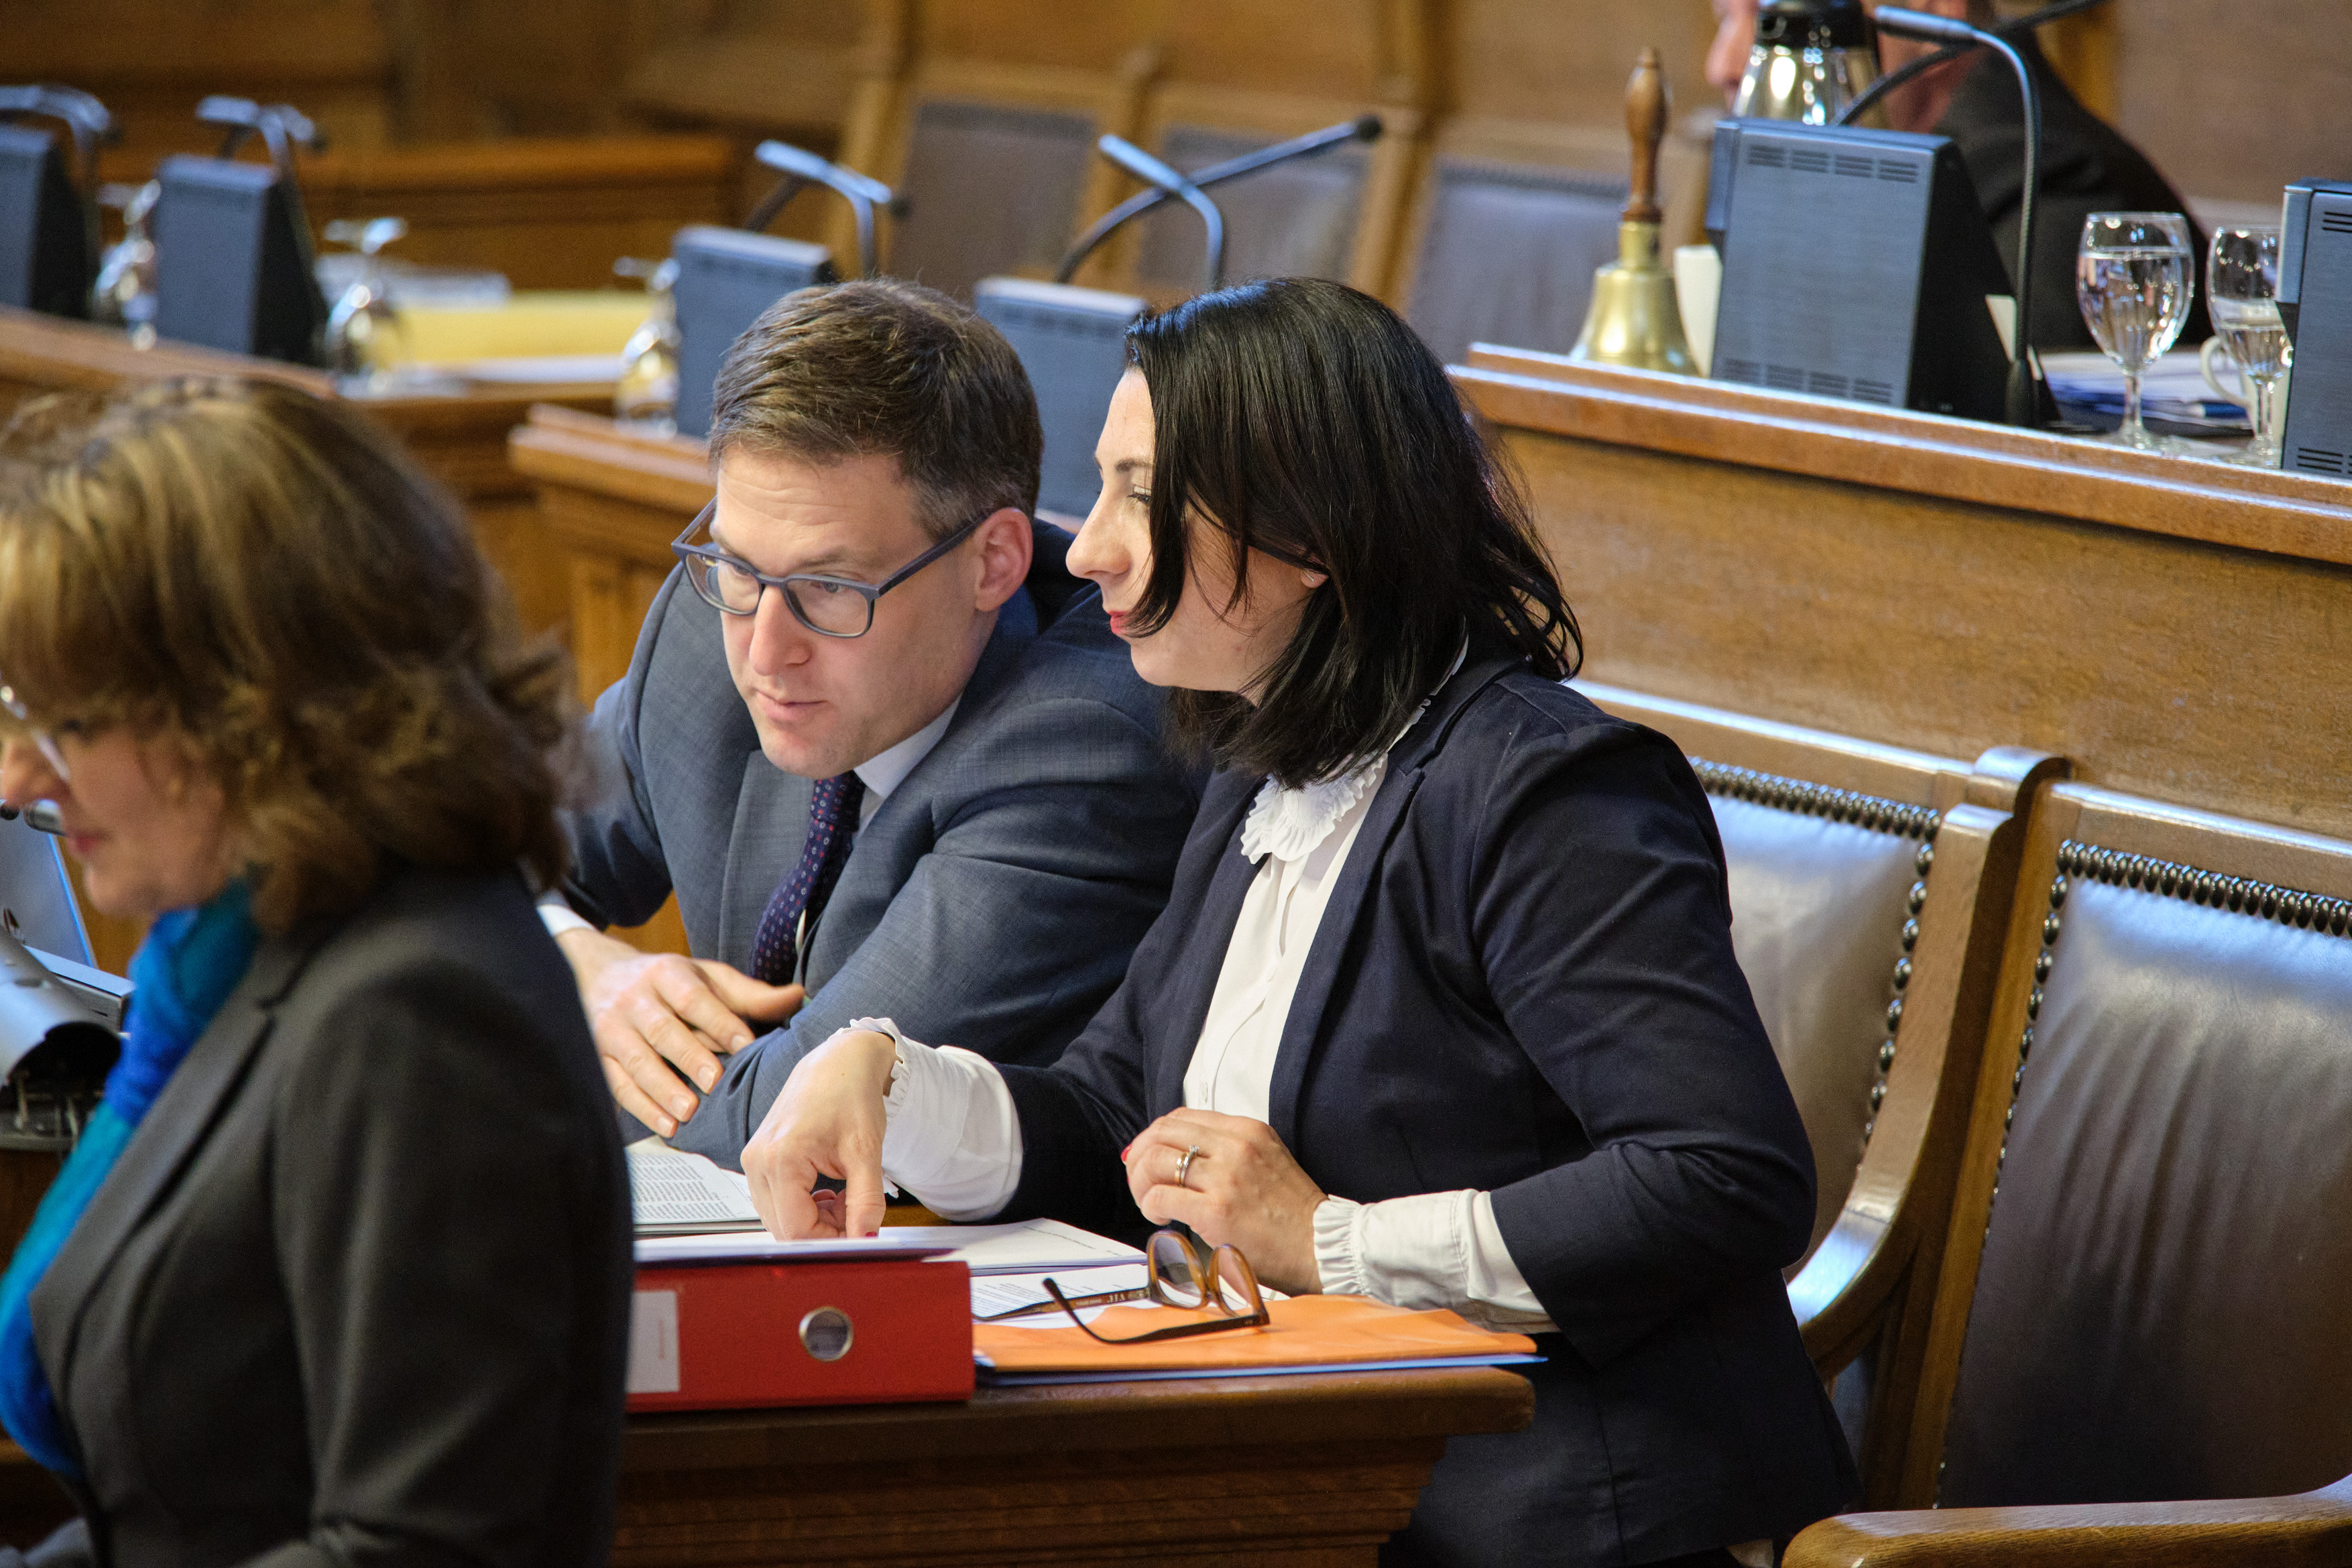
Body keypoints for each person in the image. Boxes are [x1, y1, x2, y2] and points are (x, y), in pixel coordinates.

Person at [742, 279, 1857, 1566]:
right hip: (1311, 1485)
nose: (1089, 548)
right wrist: (889, 1075)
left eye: (1140, 495)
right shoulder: (1260, 769)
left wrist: (1331, 1241)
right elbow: (1112, 1118)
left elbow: (1721, 1176)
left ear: (1310, 531)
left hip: (1565, 1520)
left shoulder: (1544, 792)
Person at [0, 379, 631, 1564]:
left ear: (245, 707)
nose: (18, 776)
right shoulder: (244, 955)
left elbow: (424, 1547)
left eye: (66, 722)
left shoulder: (420, 1015)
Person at [548, 278, 1200, 1157]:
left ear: (994, 562)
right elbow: (452, 854)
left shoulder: (1085, 744)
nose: (765, 650)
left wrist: (548, 1012)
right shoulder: (712, 622)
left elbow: (793, 1114)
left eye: (830, 586)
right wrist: (576, 964)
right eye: (739, 566)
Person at [1705, 0, 2208, 351]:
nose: (1722, 66)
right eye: (1726, 18)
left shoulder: (2052, 189)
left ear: (1932, 16)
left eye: (1786, 26)